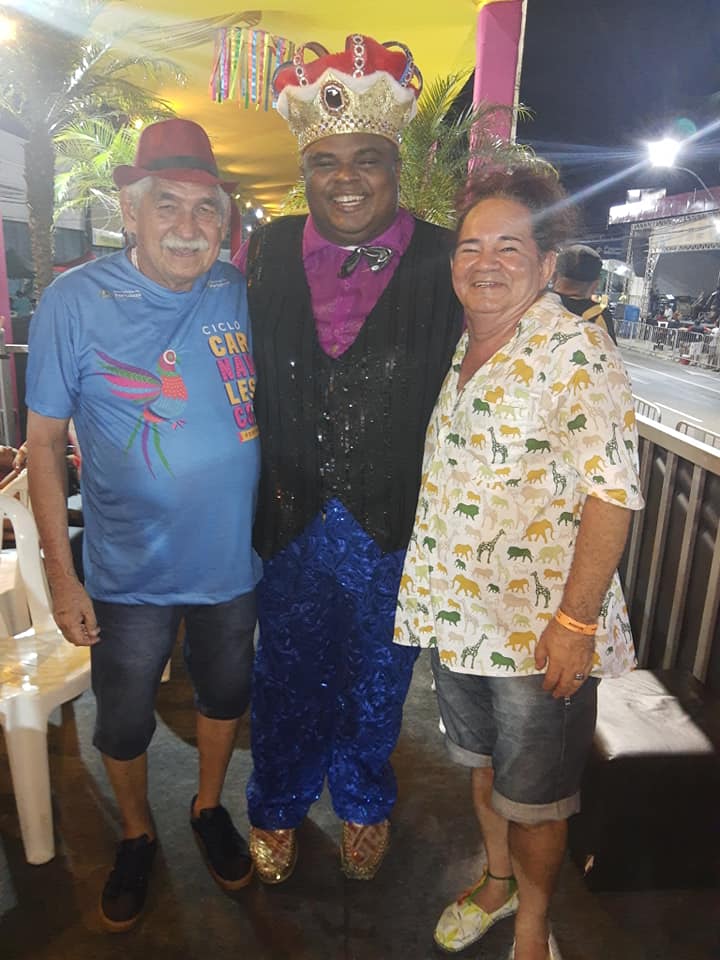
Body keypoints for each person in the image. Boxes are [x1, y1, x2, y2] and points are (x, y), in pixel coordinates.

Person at [394, 166, 644, 960]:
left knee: (538, 798)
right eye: (471, 247)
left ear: (546, 264)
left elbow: (613, 493)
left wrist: (575, 623)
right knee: (484, 769)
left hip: (541, 635)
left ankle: (534, 925)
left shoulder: (574, 349)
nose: (486, 262)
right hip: (464, 619)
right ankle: (496, 881)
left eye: (510, 246)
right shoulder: (467, 344)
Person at [25, 118, 261, 931]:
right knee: (123, 717)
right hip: (128, 570)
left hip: (231, 563)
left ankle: (207, 807)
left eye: (206, 208)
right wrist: (62, 577)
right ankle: (134, 833)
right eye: (169, 205)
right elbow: (43, 444)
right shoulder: (73, 301)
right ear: (130, 211)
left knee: (226, 694)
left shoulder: (236, 289)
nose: (189, 226)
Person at [238, 34, 463, 883]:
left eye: (366, 158)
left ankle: (365, 800)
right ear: (305, 170)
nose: (346, 177)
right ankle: (277, 803)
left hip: (392, 517)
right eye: (326, 161)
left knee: (379, 677)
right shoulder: (265, 251)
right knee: (284, 673)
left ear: (395, 166)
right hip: (287, 514)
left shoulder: (447, 258)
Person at [552, 243, 617, 343]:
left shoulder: (535, 304)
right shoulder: (599, 316)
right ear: (595, 285)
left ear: (554, 276)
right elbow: (610, 351)